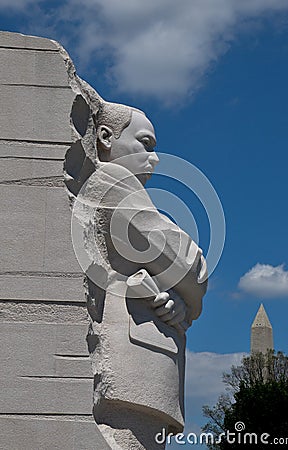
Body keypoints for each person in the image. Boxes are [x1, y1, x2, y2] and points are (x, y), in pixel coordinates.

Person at [70, 98, 208, 449]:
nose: (155, 159)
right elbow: (185, 263)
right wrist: (191, 286)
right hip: (132, 367)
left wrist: (178, 302)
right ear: (104, 136)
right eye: (145, 143)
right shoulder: (115, 181)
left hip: (139, 364)